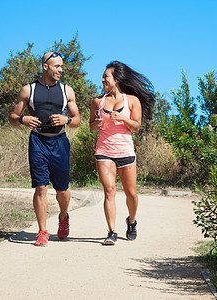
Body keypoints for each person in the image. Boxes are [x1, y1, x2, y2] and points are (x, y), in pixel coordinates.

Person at [9, 51, 80, 246]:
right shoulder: (28, 90)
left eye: (62, 67)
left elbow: (77, 121)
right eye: (57, 66)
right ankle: (42, 231)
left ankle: (63, 216)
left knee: (62, 190)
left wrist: (67, 119)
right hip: (38, 142)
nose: (61, 70)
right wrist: (23, 119)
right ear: (45, 66)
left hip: (59, 142)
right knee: (41, 187)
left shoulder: (67, 91)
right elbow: (13, 117)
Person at [89, 61, 155, 245]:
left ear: (116, 80)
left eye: (105, 76)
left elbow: (137, 127)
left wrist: (123, 118)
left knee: (131, 194)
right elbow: (91, 127)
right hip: (104, 151)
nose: (102, 80)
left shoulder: (132, 100)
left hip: (125, 151)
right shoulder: (98, 102)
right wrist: (96, 124)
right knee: (109, 190)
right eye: (102, 77)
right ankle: (111, 232)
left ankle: (132, 222)